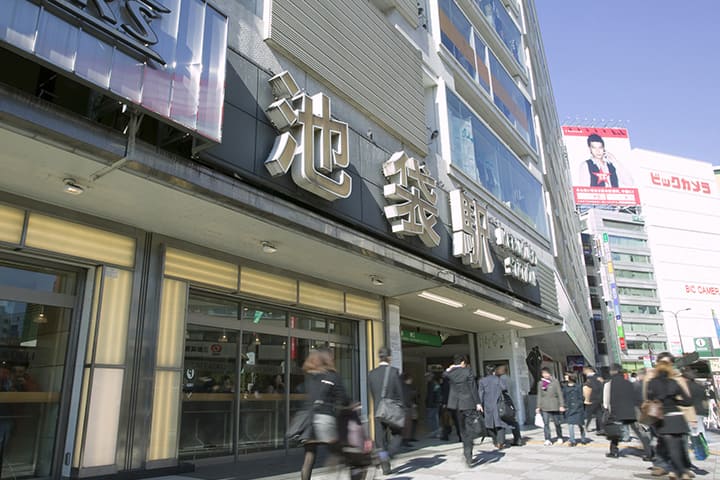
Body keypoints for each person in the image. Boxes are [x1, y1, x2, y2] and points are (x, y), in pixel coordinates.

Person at [299, 348, 349, 480]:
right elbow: (343, 398)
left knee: (309, 455)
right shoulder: (332, 376)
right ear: (329, 359)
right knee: (338, 452)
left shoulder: (310, 375)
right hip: (325, 419)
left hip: (309, 421)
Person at [647, 353, 693, 480]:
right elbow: (688, 401)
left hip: (664, 419)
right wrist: (676, 401)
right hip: (678, 417)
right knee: (678, 446)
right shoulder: (674, 382)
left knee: (672, 448)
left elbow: (649, 399)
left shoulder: (652, 382)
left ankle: (681, 472)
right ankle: (681, 470)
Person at [603, 364, 652, 459]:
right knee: (640, 433)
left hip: (617, 412)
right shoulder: (629, 383)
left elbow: (608, 400)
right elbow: (636, 398)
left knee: (615, 433)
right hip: (631, 411)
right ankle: (649, 453)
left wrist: (608, 411)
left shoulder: (609, 384)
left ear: (612, 371)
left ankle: (614, 452)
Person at [367, 347, 403, 475]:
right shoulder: (394, 372)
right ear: (389, 357)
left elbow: (372, 394)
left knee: (380, 440)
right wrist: (401, 407)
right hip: (392, 410)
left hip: (378, 410)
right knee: (398, 434)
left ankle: (385, 467)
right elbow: (400, 393)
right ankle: (389, 454)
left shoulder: (371, 374)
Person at [444, 354, 483, 467]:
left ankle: (467, 451)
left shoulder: (450, 373)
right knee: (470, 429)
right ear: (462, 362)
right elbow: (473, 387)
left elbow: (444, 374)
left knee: (462, 429)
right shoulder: (467, 371)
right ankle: (468, 454)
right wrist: (478, 403)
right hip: (468, 404)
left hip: (456, 405)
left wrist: (449, 369)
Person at [478, 364, 513, 449]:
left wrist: (480, 404)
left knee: (489, 424)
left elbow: (480, 394)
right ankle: (500, 442)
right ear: (494, 371)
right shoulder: (498, 379)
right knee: (500, 424)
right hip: (498, 404)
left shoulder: (482, 381)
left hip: (487, 405)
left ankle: (495, 441)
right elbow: (504, 388)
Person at [536, 367, 564, 446]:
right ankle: (547, 438)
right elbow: (539, 396)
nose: (545, 375)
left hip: (555, 405)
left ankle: (559, 436)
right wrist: (538, 406)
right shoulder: (540, 383)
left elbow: (559, 394)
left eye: (546, 373)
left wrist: (561, 405)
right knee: (546, 423)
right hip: (545, 406)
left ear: (550, 373)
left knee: (557, 423)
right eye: (543, 373)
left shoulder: (555, 382)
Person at [562, 372, 587, 446]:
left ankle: (583, 438)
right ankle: (572, 440)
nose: (565, 377)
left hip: (578, 408)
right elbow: (563, 397)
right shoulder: (565, 387)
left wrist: (579, 404)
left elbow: (582, 397)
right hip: (569, 408)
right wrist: (564, 405)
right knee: (570, 424)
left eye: (566, 375)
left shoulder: (578, 386)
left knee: (580, 424)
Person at [583, 366, 604, 433]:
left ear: (588, 370)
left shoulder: (589, 378)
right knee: (599, 414)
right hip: (599, 398)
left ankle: (586, 426)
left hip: (591, 398)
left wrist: (586, 398)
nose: (584, 372)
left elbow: (587, 388)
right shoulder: (599, 377)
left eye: (584, 370)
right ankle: (600, 428)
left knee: (589, 414)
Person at [401, 373, 418, 446]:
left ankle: (407, 438)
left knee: (407, 424)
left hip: (403, 407)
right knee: (408, 424)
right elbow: (408, 398)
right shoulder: (407, 387)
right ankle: (406, 439)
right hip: (407, 407)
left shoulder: (401, 387)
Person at [425, 373, 442, 438]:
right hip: (432, 404)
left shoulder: (433, 384)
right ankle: (435, 432)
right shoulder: (432, 384)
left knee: (433, 418)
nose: (426, 378)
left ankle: (436, 432)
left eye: (427, 377)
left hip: (433, 404)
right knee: (433, 418)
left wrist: (436, 402)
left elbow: (436, 395)